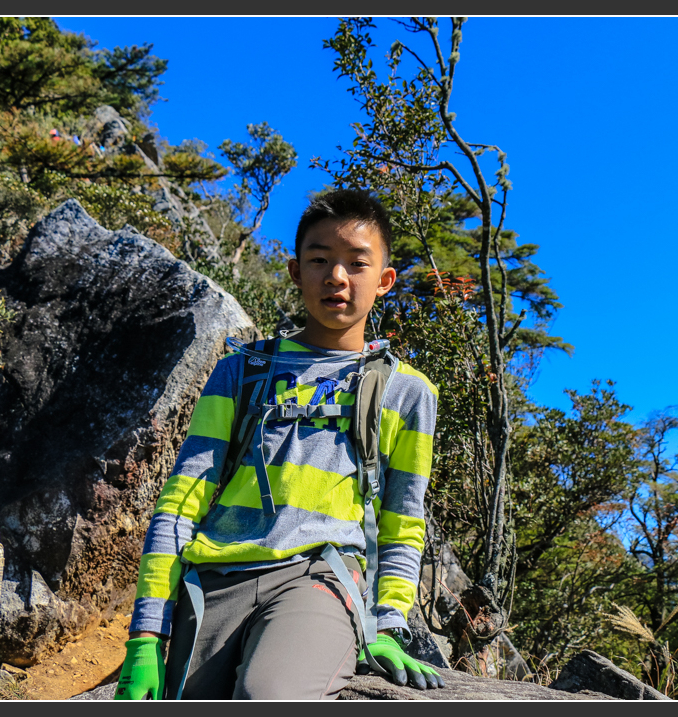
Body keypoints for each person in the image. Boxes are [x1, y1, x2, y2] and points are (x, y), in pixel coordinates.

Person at [116, 189, 445, 700]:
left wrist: (389, 622)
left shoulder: (407, 392)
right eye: (319, 260)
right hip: (212, 581)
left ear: (384, 281)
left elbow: (403, 520)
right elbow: (182, 500)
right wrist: (145, 635)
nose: (337, 277)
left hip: (319, 577)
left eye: (357, 264)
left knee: (268, 694)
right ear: (295, 272)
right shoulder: (240, 371)